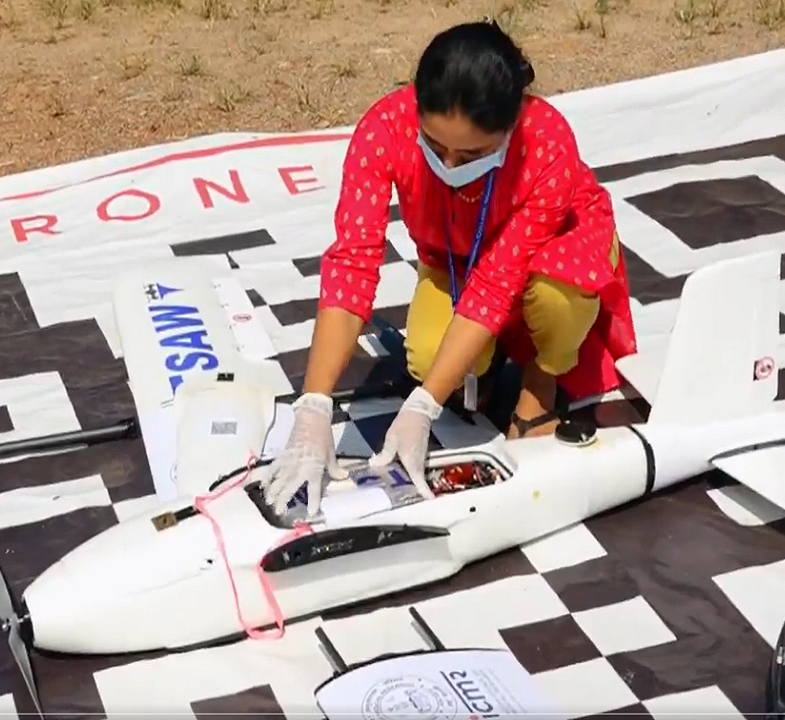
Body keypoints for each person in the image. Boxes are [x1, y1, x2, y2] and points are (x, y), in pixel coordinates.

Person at [263, 20, 639, 518]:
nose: (449, 164)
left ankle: (541, 378)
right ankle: (478, 367)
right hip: (457, 257)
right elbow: (353, 260)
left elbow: (498, 280)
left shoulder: (546, 142)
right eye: (434, 147)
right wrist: (314, 404)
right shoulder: (383, 129)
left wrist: (422, 407)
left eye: (473, 154)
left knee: (557, 298)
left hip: (556, 254)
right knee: (425, 356)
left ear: (510, 129)